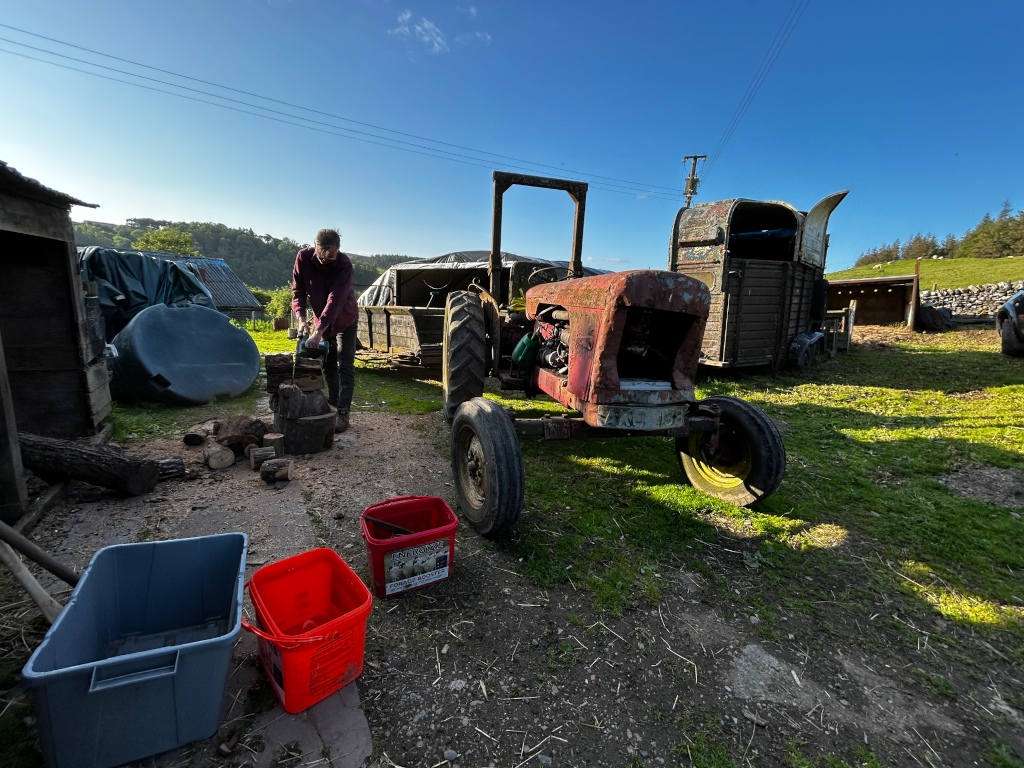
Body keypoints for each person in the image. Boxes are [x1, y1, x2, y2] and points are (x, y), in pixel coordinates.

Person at [291, 228, 358, 433]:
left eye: (333, 255)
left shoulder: (344, 264)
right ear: (316, 247)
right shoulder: (303, 257)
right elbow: (298, 291)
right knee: (329, 365)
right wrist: (302, 320)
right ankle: (333, 404)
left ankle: (343, 413)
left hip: (344, 317)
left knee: (344, 364)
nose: (329, 259)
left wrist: (318, 332)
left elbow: (335, 300)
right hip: (322, 319)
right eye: (325, 256)